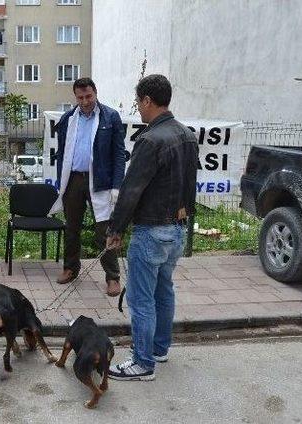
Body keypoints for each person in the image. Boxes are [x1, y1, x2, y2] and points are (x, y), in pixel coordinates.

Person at [106, 74, 199, 381]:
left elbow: (131, 189)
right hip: (177, 229)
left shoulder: (149, 139)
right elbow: (190, 186)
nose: (138, 109)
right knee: (164, 290)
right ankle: (159, 349)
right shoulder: (187, 135)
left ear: (147, 100)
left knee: (141, 298)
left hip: (152, 230)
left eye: (138, 103)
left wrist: (115, 230)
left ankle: (143, 363)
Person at [50, 77, 126, 297]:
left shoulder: (110, 117)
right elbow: (62, 153)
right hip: (73, 180)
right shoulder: (67, 119)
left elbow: (119, 154)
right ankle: (70, 268)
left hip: (100, 181)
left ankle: (112, 277)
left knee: (104, 230)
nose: (84, 101)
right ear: (75, 97)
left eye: (88, 96)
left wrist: (116, 185)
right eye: (80, 97)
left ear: (95, 93)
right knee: (71, 227)